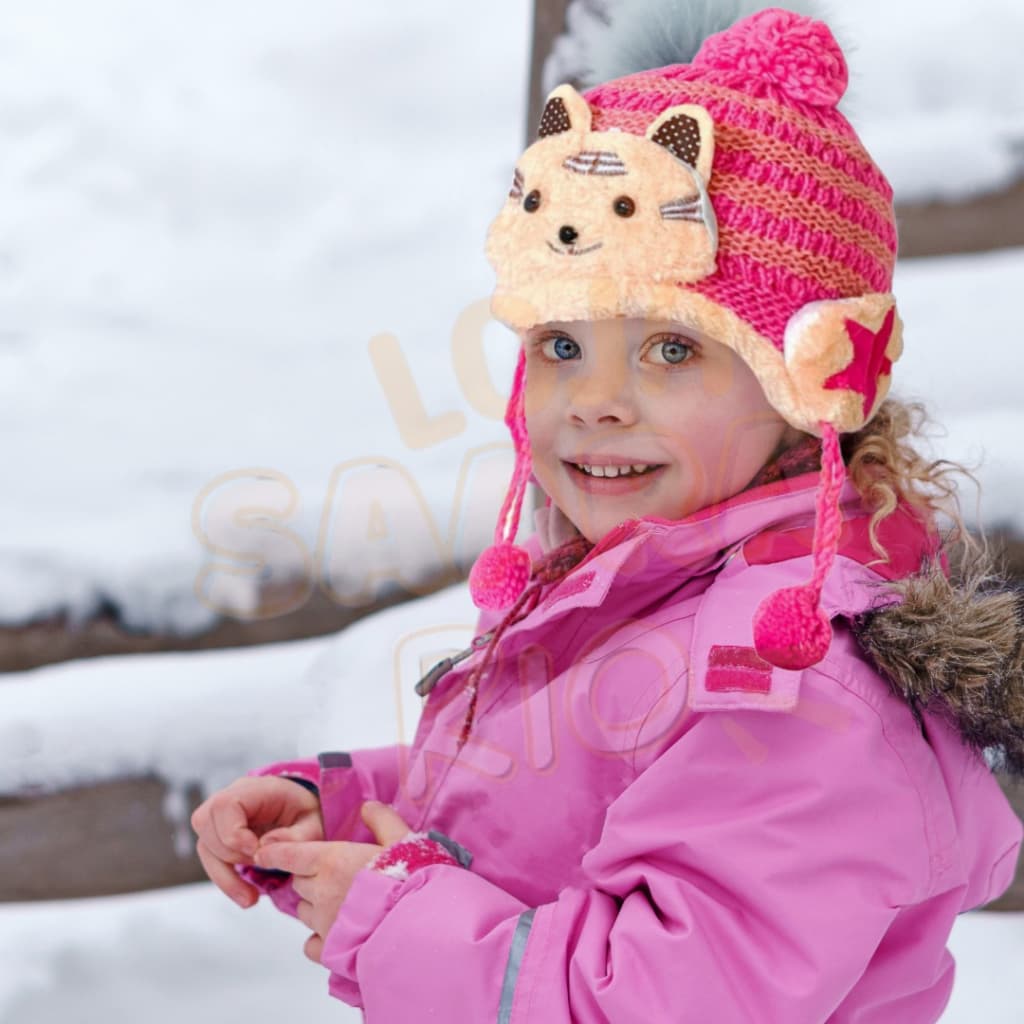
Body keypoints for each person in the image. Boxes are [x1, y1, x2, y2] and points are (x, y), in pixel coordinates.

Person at [190, 4, 1024, 1021]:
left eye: (672, 348)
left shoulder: (794, 690)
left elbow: (644, 999)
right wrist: (360, 806)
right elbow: (559, 797)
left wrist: (390, 910)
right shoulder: (661, 584)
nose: (594, 399)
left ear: (804, 387)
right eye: (560, 345)